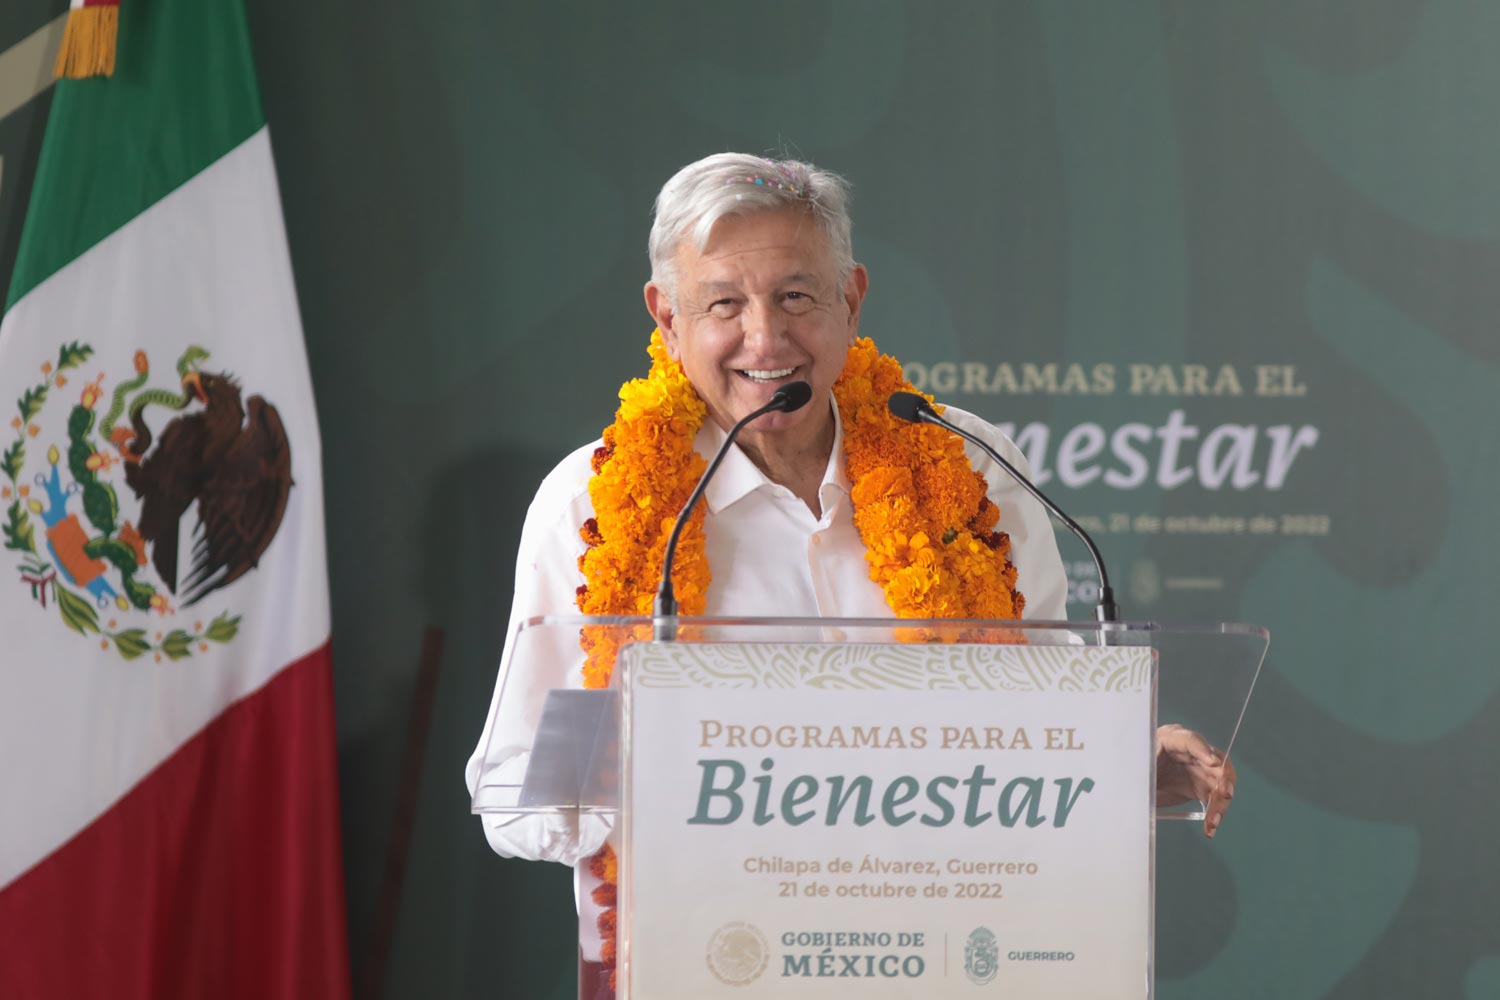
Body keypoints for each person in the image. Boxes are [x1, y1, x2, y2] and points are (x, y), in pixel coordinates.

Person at [466, 152, 1235, 995]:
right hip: (713, 963)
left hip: (952, 959)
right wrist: (694, 771)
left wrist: (1127, 762)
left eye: (797, 296)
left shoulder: (966, 463)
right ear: (667, 318)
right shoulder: (593, 503)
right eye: (724, 304)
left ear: (852, 299)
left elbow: (1043, 719)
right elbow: (516, 794)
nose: (766, 338)